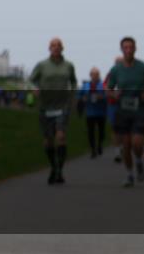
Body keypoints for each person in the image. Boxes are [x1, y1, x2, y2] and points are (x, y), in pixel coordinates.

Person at [105, 37, 144, 188]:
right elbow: (108, 87)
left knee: (136, 142)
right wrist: (113, 94)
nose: (128, 50)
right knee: (126, 145)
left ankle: (139, 161)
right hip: (122, 110)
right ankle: (129, 175)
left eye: (131, 47)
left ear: (135, 49)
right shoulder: (116, 69)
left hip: (139, 109)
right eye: (125, 48)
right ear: (122, 50)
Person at [29, 38, 77, 184]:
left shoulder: (68, 65)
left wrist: (72, 95)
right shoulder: (42, 65)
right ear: (49, 48)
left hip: (62, 106)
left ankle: (59, 171)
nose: (56, 48)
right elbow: (31, 80)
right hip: (45, 106)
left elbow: (73, 81)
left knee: (61, 136)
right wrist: (34, 88)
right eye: (53, 46)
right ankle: (53, 166)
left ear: (62, 48)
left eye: (58, 46)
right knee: (48, 141)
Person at [78, 67, 108, 158]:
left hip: (101, 112)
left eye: (96, 74)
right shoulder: (86, 85)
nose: (95, 76)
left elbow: (108, 95)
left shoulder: (103, 85)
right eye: (93, 74)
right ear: (90, 75)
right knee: (91, 132)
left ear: (99, 75)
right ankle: (93, 150)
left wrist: (102, 97)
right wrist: (83, 99)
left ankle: (100, 145)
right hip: (90, 112)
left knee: (101, 131)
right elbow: (79, 95)